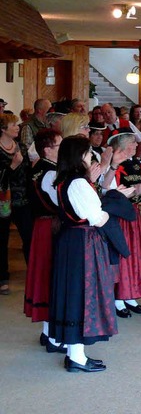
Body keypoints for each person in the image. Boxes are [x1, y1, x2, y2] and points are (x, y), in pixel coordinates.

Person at [48, 135, 117, 373]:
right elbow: (97, 217)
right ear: (79, 156)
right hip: (82, 243)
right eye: (88, 153)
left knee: (75, 293)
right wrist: (108, 213)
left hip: (74, 241)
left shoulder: (68, 180)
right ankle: (76, 356)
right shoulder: (77, 183)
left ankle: (75, 353)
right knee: (81, 293)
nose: (91, 157)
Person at [101, 127, 141, 319]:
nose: (137, 145)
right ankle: (118, 297)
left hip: (137, 215)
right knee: (123, 256)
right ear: (123, 145)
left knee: (137, 255)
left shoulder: (140, 164)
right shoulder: (111, 166)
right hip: (120, 217)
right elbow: (105, 191)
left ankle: (130, 296)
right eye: (133, 143)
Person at [23, 129, 62, 352]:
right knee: (51, 275)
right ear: (47, 149)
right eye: (59, 146)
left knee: (48, 275)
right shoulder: (49, 172)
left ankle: (48, 333)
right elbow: (59, 201)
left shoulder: (39, 168)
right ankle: (54, 336)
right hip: (50, 227)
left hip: (43, 225)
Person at [0, 113, 32, 295]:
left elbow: (26, 172)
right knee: (2, 239)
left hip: (22, 199)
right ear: (3, 129)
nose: (17, 127)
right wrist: (12, 165)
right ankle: (2, 277)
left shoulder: (20, 147)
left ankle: (33, 272)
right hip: (3, 200)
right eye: (13, 125)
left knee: (28, 236)